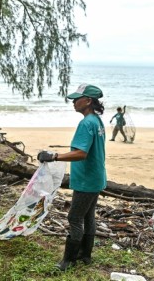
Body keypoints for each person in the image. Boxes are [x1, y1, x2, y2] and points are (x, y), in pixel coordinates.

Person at [37, 83, 106, 271]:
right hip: (96, 177)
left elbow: (81, 153)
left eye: (77, 99)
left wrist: (54, 156)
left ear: (88, 101)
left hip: (86, 180)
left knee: (75, 218)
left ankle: (68, 261)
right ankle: (86, 256)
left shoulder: (86, 123)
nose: (74, 102)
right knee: (88, 217)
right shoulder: (96, 121)